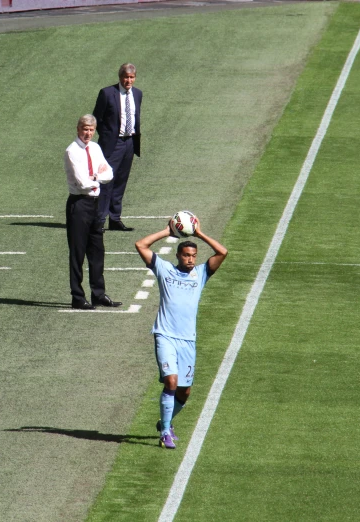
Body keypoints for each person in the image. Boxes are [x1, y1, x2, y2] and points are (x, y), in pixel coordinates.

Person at [135, 218, 228, 449]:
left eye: (193, 256)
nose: (190, 259)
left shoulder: (201, 274)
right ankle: (165, 432)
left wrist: (199, 234)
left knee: (185, 392)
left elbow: (222, 252)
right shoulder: (164, 269)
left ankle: (165, 422)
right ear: (178, 255)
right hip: (165, 335)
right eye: (186, 255)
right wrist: (167, 231)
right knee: (172, 382)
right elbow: (141, 245)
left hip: (188, 340)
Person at [65, 114, 123, 310]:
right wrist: (97, 178)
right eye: (85, 129)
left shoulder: (95, 148)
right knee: (77, 253)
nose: (88, 133)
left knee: (97, 251)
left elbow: (109, 173)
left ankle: (98, 294)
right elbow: (82, 183)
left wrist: (96, 176)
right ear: (78, 129)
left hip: (95, 203)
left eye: (91, 130)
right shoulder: (72, 151)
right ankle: (77, 297)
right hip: (79, 204)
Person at [92, 63, 142, 232]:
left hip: (129, 143)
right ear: (120, 77)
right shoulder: (107, 93)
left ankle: (115, 219)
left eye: (132, 77)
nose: (129, 80)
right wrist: (107, 136)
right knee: (106, 180)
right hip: (112, 144)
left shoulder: (137, 94)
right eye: (126, 77)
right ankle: (99, 220)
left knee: (121, 181)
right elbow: (96, 118)